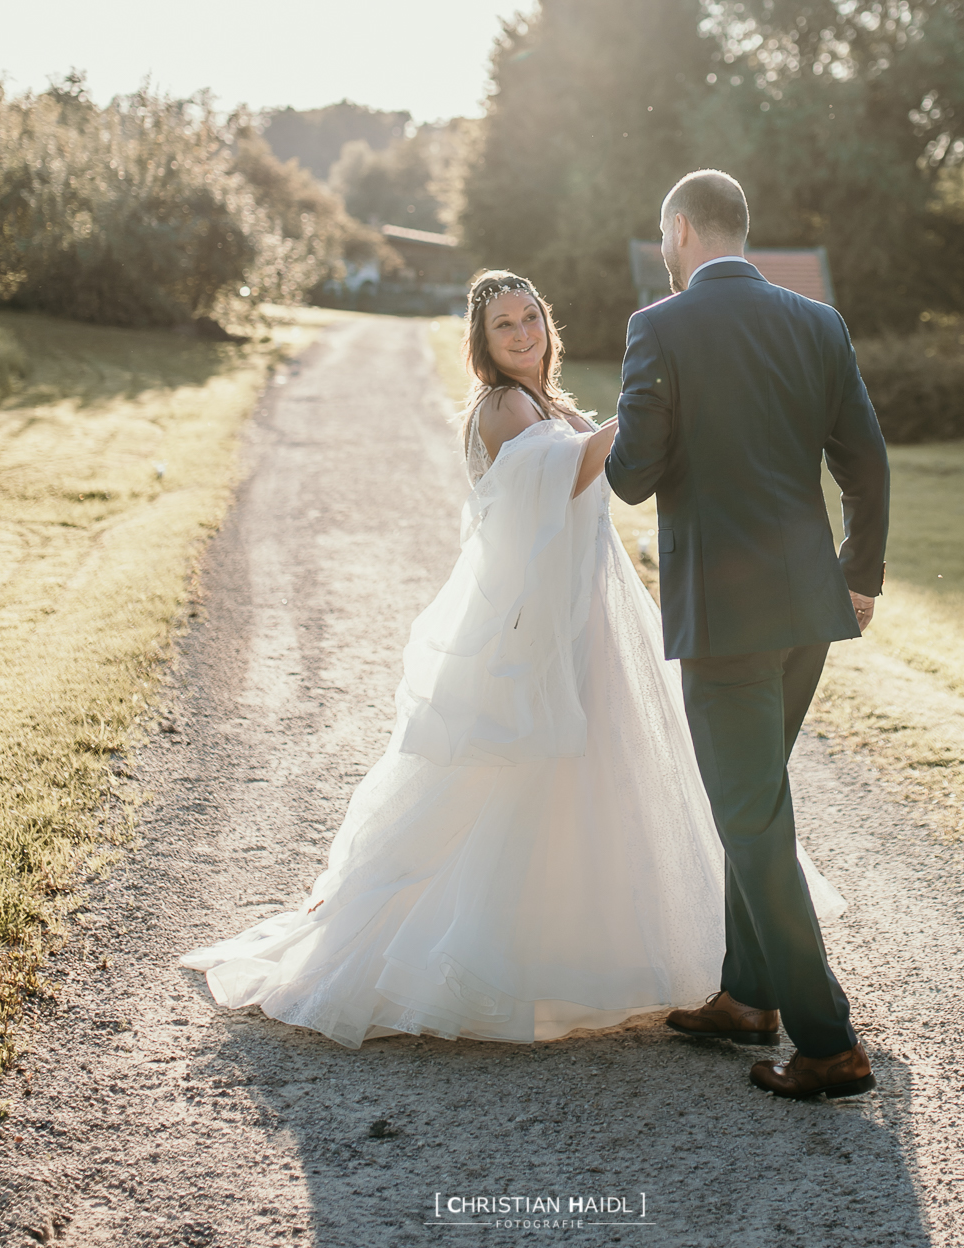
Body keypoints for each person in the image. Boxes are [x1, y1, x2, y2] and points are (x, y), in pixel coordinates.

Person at [181, 268, 835, 1046]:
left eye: (531, 318)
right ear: (482, 345)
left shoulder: (546, 401)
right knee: (507, 783)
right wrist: (652, 400)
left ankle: (620, 953)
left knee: (590, 784)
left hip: (582, 613)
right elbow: (562, 473)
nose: (523, 333)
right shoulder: (503, 406)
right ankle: (459, 957)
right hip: (536, 624)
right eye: (505, 327)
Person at [606, 169, 889, 1101]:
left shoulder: (659, 326)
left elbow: (633, 476)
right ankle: (747, 994)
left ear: (679, 230)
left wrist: (603, 433)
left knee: (752, 819)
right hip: (808, 610)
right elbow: (865, 462)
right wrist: (860, 578)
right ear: (741, 230)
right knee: (753, 801)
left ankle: (828, 1040)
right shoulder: (818, 323)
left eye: (664, 237)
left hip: (724, 619)